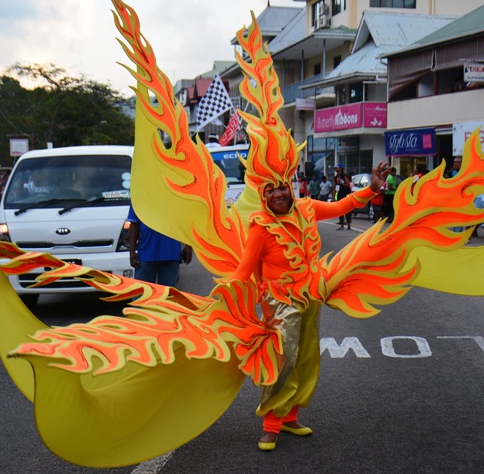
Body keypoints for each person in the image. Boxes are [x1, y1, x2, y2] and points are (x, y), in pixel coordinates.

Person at [230, 160, 387, 450]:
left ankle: (290, 416)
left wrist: (371, 189)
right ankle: (270, 426)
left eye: (281, 188)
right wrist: (227, 299)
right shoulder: (261, 228)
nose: (277, 194)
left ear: (290, 188)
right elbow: (244, 270)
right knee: (282, 361)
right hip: (279, 303)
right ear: (262, 196)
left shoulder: (307, 208)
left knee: (305, 358)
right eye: (270, 190)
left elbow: (341, 207)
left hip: (310, 297)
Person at [127, 203, 192, 286]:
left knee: (167, 296)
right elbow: (134, 224)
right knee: (143, 295)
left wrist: (189, 245)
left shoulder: (176, 193)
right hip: (146, 255)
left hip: (171, 254)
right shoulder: (141, 194)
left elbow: (187, 220)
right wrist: (131, 251)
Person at [334, 164, 353, 230]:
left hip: (346, 194)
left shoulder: (344, 176)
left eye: (337, 167)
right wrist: (334, 196)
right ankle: (342, 224)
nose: (336, 169)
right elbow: (335, 187)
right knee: (340, 209)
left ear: (341, 168)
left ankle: (348, 224)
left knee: (347, 209)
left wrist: (341, 182)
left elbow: (348, 185)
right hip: (340, 194)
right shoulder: (336, 177)